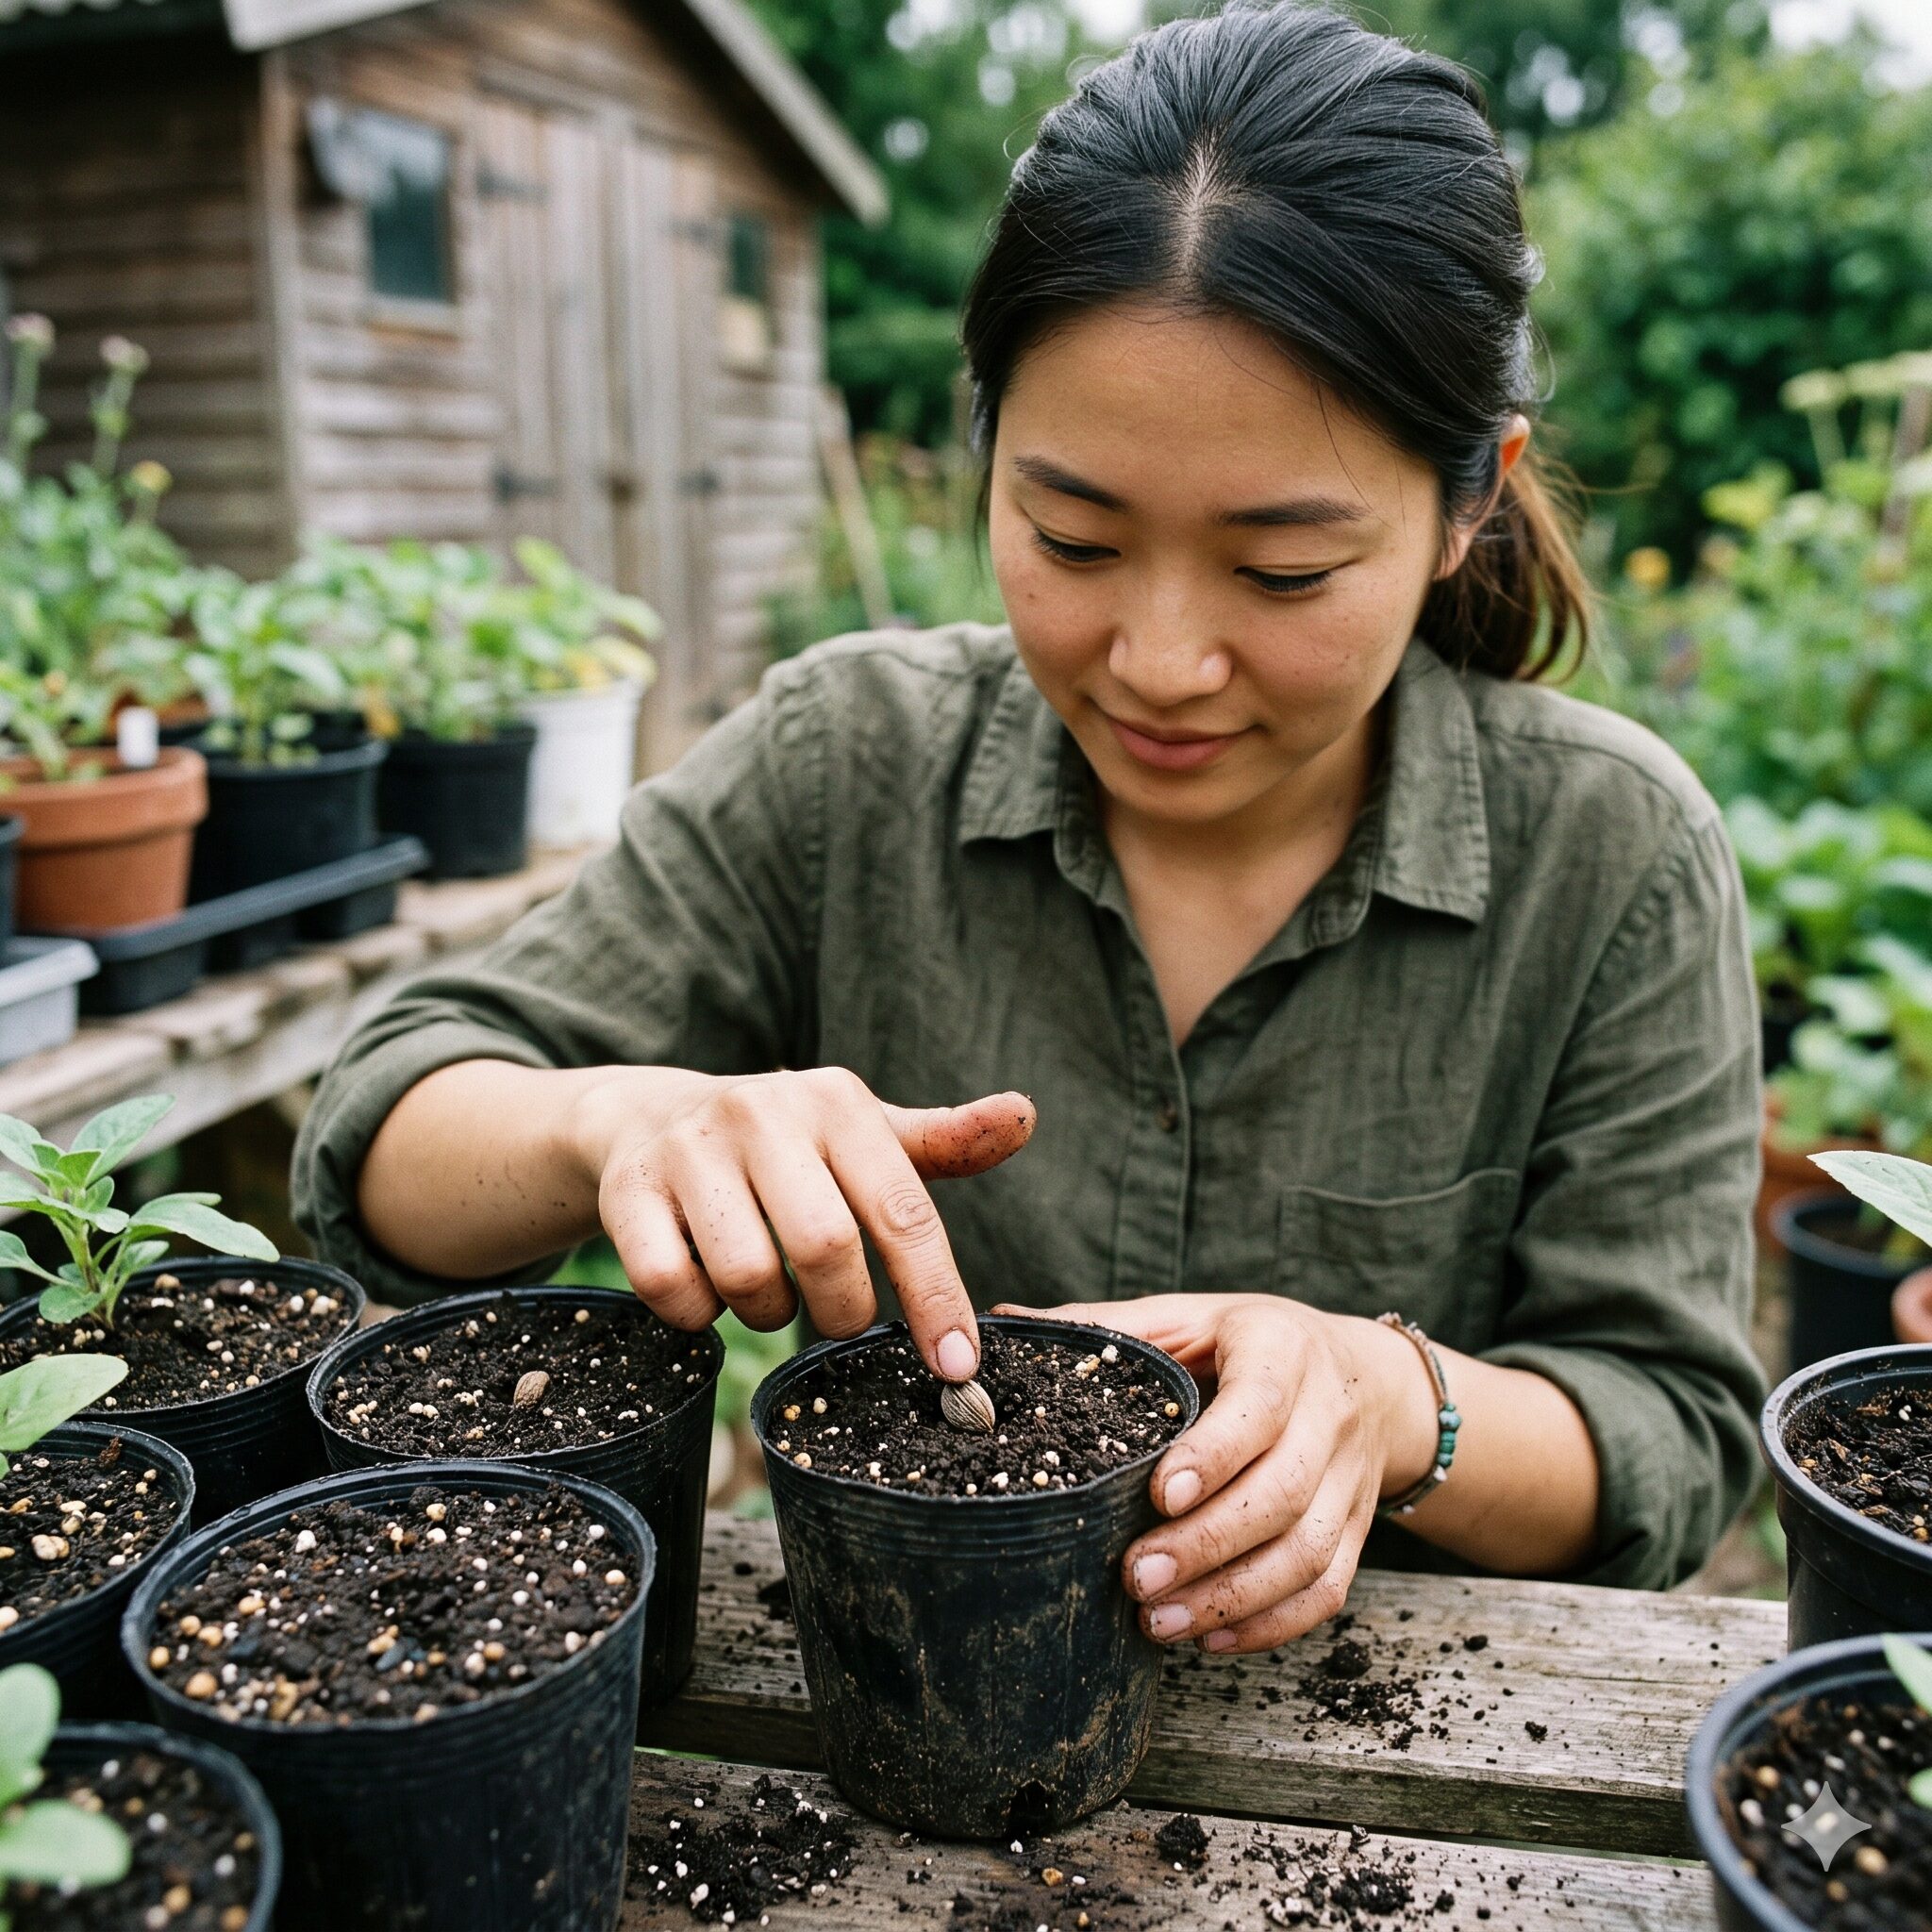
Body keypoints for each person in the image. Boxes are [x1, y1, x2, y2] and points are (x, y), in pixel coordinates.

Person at [293, 0, 1767, 1656]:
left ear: (1471, 499)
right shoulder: (847, 761)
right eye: (1072, 539)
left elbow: (1667, 1431)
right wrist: (622, 1126)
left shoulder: (1612, 855)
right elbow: (387, 1133)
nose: (1160, 662)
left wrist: (1385, 1399)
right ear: (990, 452)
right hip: (900, 1690)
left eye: (1284, 572)